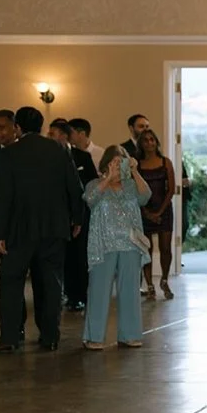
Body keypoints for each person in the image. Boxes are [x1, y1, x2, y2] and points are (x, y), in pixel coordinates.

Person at [0, 106, 84, 353]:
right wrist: (77, 219)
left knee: (11, 281)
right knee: (52, 284)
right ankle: (50, 337)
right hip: (54, 227)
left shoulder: (9, 153)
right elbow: (74, 186)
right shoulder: (60, 149)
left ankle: (9, 337)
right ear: (42, 126)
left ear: (17, 126)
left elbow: (5, 197)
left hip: (19, 230)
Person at [82, 146, 152, 350]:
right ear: (105, 163)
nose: (118, 165)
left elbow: (146, 196)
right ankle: (94, 336)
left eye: (122, 161)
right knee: (98, 290)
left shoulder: (131, 186)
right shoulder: (95, 184)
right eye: (114, 161)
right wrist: (107, 178)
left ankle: (129, 334)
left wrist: (135, 171)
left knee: (130, 289)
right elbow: (89, 199)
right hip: (103, 243)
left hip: (130, 244)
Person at [51, 118, 99, 312]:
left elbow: (92, 182)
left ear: (64, 136)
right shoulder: (49, 158)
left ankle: (81, 294)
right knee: (63, 257)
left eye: (52, 134)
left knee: (80, 256)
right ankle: (68, 294)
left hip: (80, 212)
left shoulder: (82, 157)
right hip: (58, 213)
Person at [135, 128, 176, 300]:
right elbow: (134, 190)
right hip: (144, 209)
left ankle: (164, 280)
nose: (149, 143)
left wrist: (159, 211)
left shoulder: (165, 162)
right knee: (147, 249)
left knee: (165, 248)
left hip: (164, 209)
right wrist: (146, 212)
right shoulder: (136, 164)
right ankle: (149, 284)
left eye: (152, 139)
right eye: (145, 140)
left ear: (156, 142)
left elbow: (172, 189)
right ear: (141, 144)